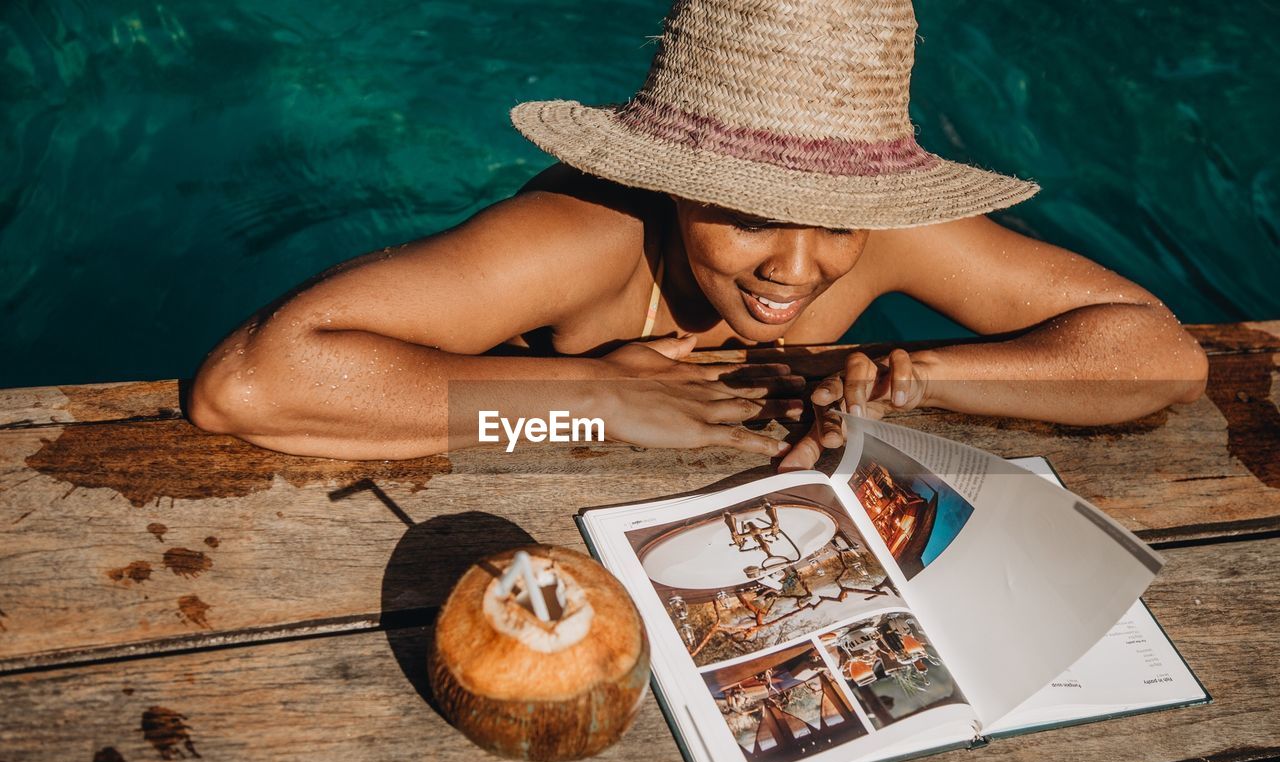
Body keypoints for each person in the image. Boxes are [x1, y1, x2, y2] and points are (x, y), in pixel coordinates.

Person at [188, 0, 1208, 469]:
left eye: (835, 221)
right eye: (751, 213)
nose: (795, 270)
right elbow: (251, 384)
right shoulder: (578, 240)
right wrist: (589, 401)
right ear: (670, 188)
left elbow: (1158, 355)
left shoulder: (893, 238)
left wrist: (912, 378)